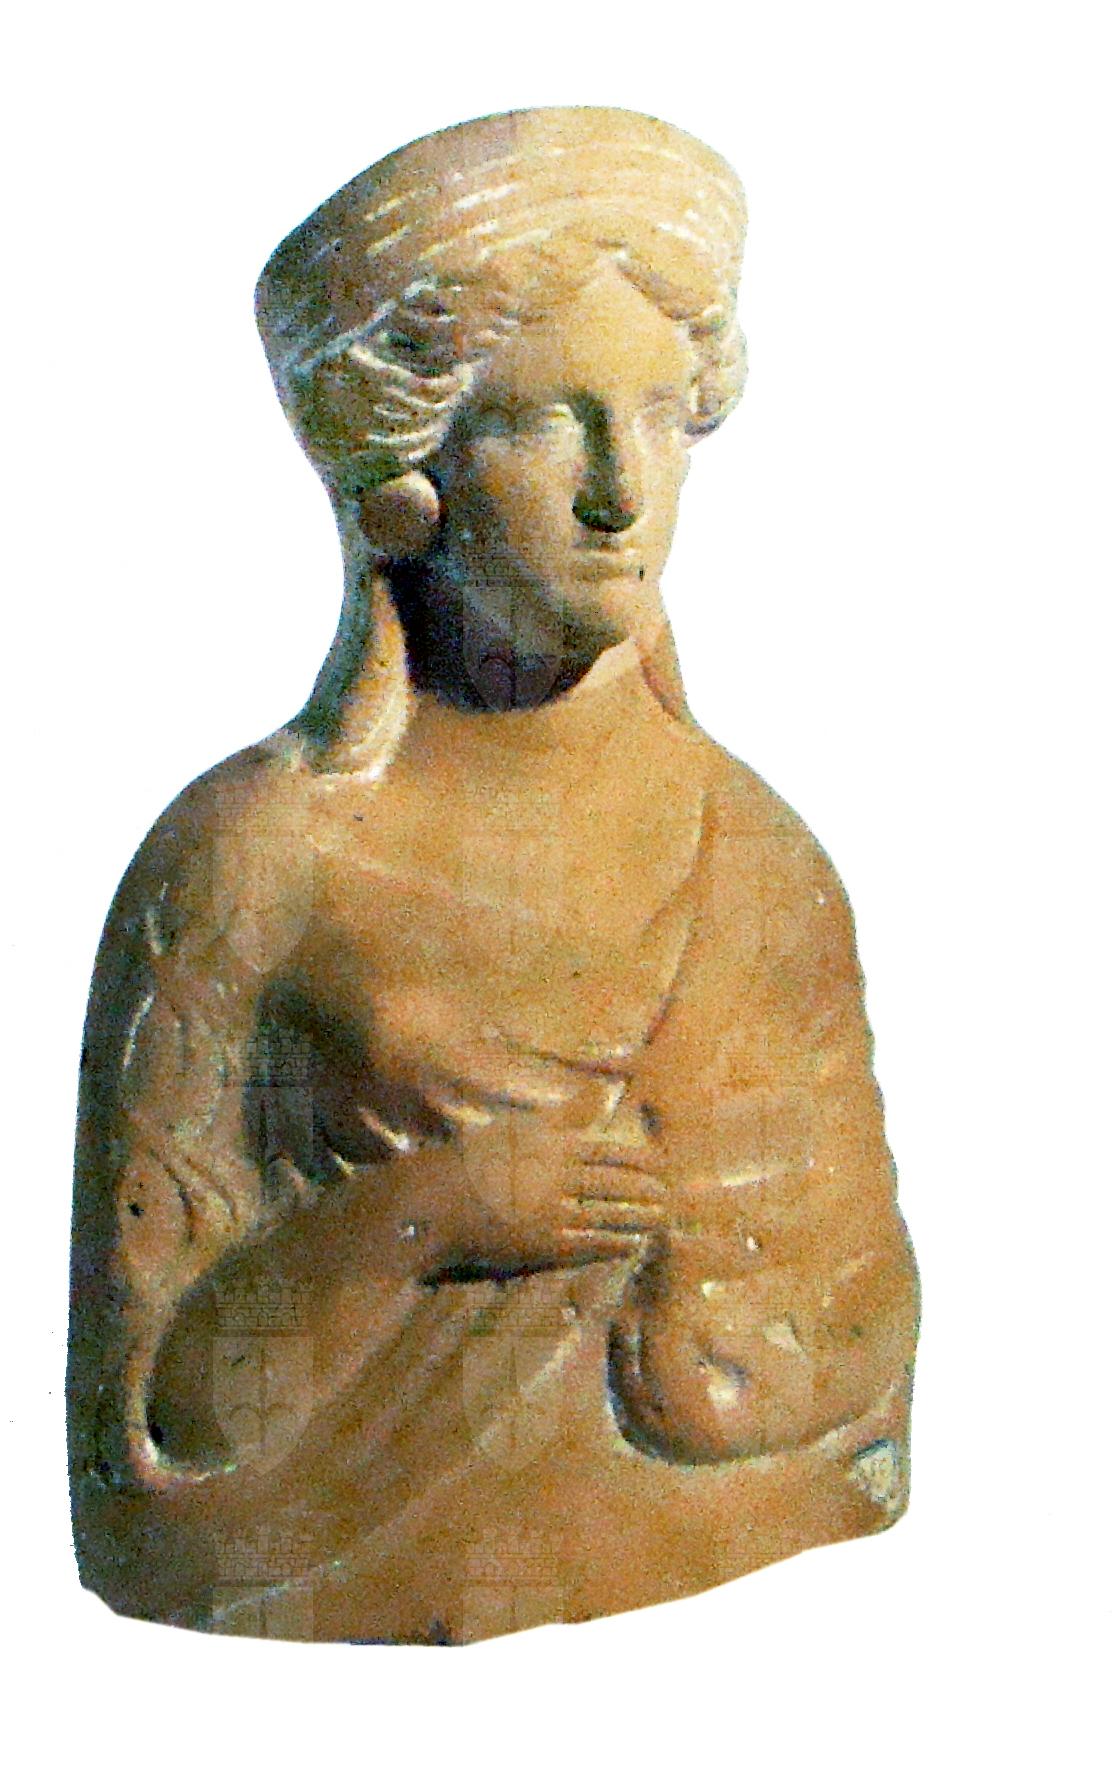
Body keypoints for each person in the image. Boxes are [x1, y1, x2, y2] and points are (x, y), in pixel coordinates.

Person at [69, 107, 918, 1640]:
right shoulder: (248, 859)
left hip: (744, 1632)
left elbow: (859, 1344)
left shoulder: (761, 859)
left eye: (658, 416)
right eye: (544, 421)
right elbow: (147, 1434)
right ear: (412, 471)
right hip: (297, 1654)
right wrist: (429, 1209)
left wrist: (732, 1331)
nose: (621, 489)